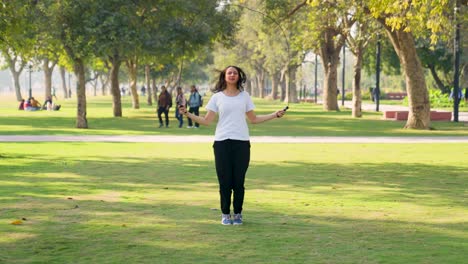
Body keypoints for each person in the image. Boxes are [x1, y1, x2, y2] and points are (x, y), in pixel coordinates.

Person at [178, 66, 286, 225]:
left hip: (241, 143)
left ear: (238, 76)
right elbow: (207, 121)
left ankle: (238, 213)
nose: (232, 75)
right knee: (224, 181)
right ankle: (225, 214)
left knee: (238, 182)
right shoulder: (217, 97)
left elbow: (254, 119)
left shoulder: (245, 96)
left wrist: (275, 115)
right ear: (224, 76)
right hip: (222, 143)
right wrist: (187, 113)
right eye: (229, 72)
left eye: (235, 73)